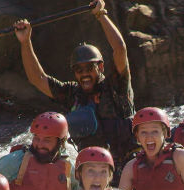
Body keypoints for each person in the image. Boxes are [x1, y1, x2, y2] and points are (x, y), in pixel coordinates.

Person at [13, 0, 136, 166]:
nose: (84, 74)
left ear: (100, 66)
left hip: (127, 163)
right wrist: (25, 41)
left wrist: (101, 15)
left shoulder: (116, 86)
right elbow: (38, 79)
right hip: (92, 168)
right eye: (79, 70)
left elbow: (120, 49)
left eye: (89, 68)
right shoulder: (72, 93)